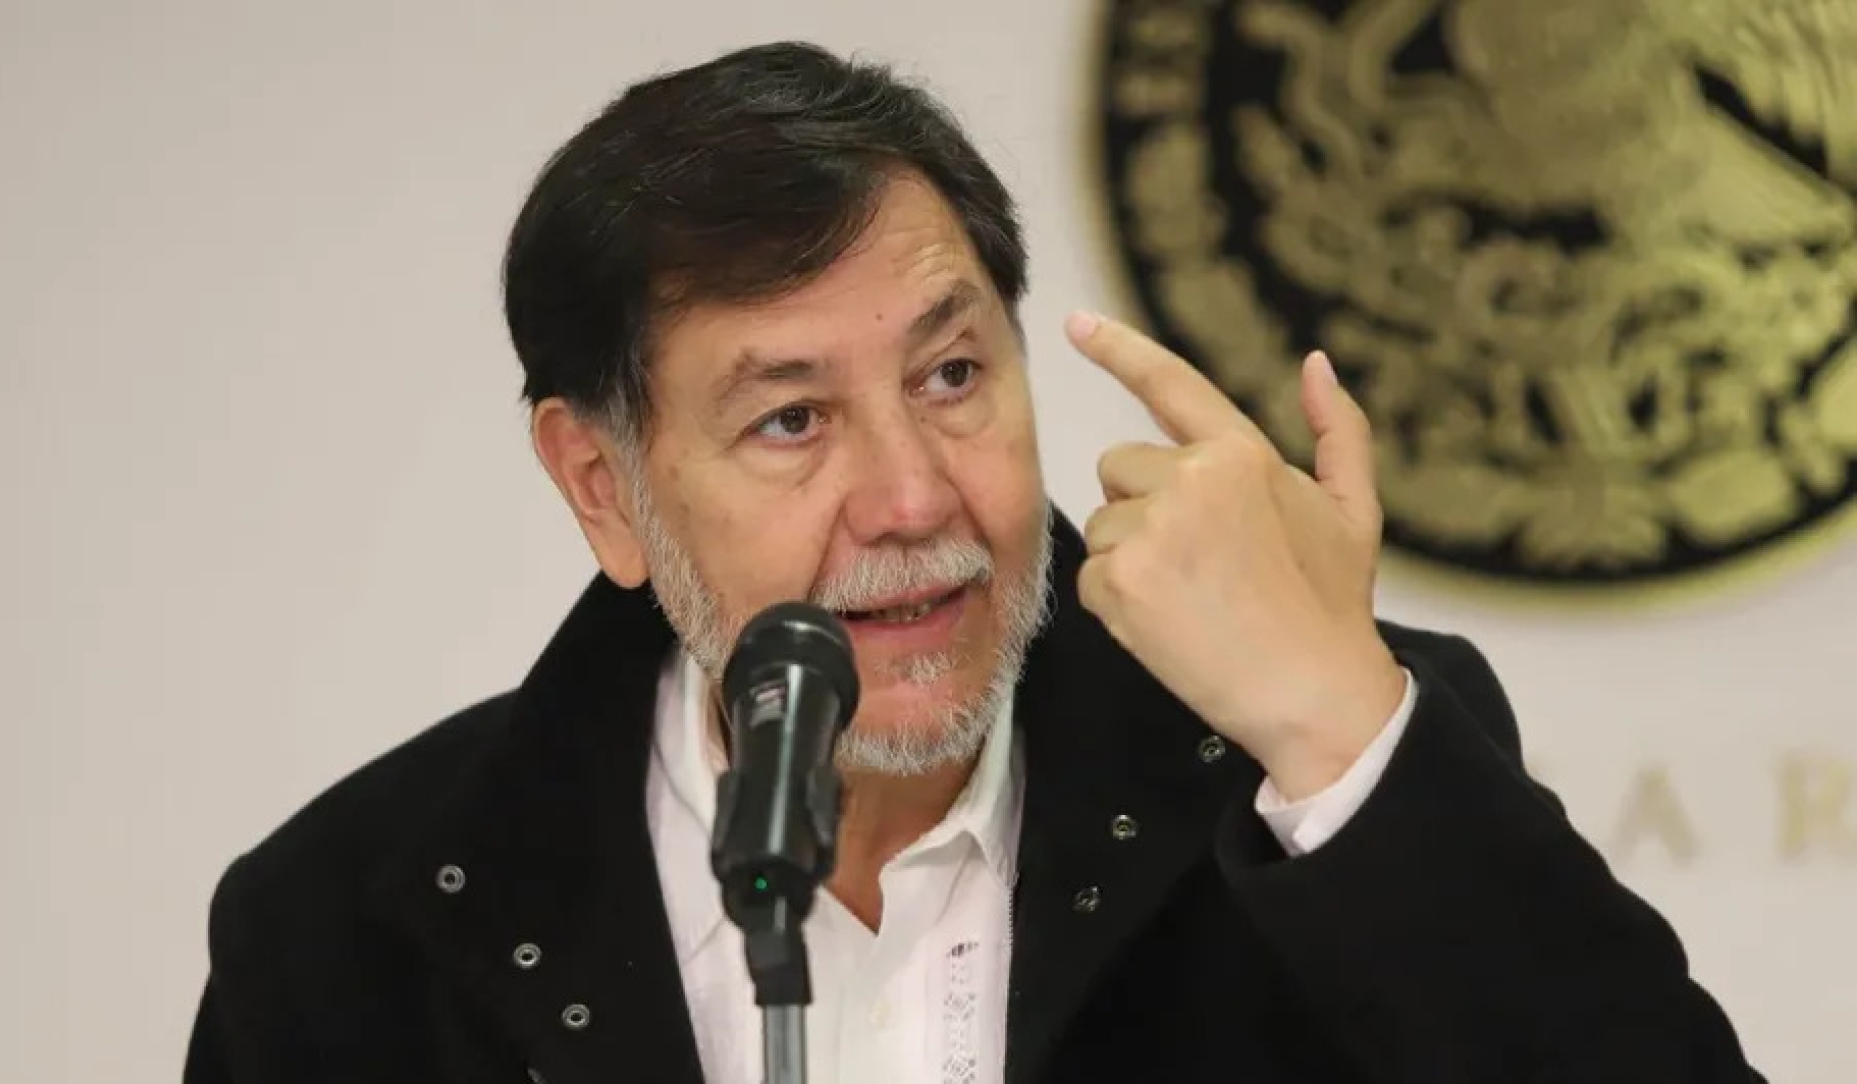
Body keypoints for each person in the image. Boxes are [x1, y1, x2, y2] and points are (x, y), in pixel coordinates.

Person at [182, 41, 1763, 1084]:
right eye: (791, 419)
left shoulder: (1305, 770)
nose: (912, 498)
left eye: (952, 376)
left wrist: (1340, 733)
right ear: (602, 484)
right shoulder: (350, 931)